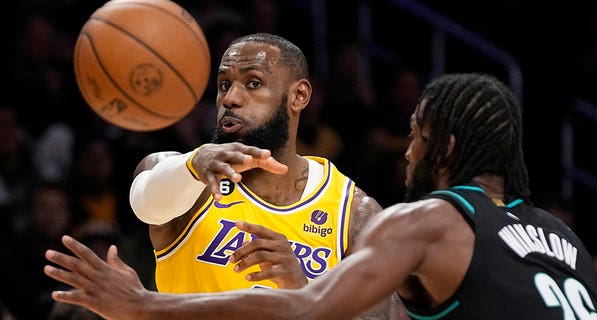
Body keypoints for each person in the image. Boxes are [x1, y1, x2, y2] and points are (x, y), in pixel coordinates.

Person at [44, 73, 597, 319]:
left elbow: (307, 310)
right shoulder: (566, 239)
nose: (407, 153)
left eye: (416, 135)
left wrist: (141, 305)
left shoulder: (429, 222)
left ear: (448, 146)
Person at [107, 33, 391, 316]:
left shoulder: (354, 213)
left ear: (299, 95)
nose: (230, 98)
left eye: (253, 83)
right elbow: (146, 204)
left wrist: (301, 291)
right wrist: (195, 164)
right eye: (224, 84)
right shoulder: (184, 175)